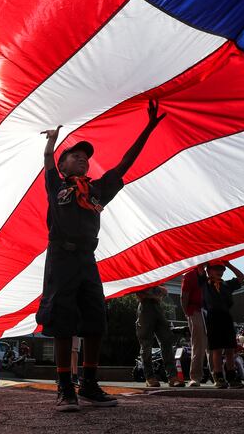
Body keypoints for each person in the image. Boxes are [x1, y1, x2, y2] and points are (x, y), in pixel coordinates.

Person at [36, 99, 166, 412]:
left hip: (86, 260)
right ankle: (65, 387)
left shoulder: (96, 191)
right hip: (61, 259)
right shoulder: (57, 187)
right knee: (63, 322)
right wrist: (51, 144)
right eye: (75, 157)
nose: (82, 160)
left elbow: (124, 164)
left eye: (85, 158)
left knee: (95, 320)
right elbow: (48, 164)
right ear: (64, 164)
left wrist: (148, 128)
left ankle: (89, 385)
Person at [202, 260, 244, 389]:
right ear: (208, 271)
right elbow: (199, 268)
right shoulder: (205, 283)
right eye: (216, 269)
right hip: (213, 317)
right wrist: (205, 261)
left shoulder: (227, 285)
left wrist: (228, 264)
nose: (219, 272)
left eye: (221, 269)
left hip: (226, 317)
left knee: (230, 349)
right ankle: (219, 377)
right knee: (216, 349)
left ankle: (232, 377)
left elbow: (241, 277)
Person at [135, 285, 184, 387]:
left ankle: (172, 376)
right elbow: (139, 293)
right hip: (145, 307)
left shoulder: (155, 280)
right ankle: (149, 377)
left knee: (166, 341)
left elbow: (164, 291)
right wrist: (154, 294)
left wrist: (150, 294)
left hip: (157, 308)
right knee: (146, 344)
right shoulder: (141, 276)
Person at [181, 265, 211, 387]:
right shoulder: (189, 276)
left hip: (208, 311)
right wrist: (187, 313)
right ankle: (195, 377)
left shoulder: (208, 275)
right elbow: (184, 296)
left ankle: (217, 376)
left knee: (212, 345)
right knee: (199, 344)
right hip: (195, 311)